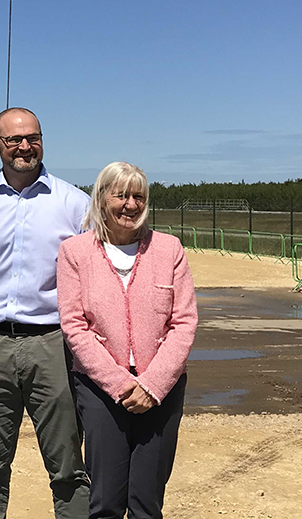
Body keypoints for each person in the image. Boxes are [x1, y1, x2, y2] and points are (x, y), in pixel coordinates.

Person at [0, 108, 91, 519]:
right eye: (14, 139)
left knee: (68, 468)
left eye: (32, 138)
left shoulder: (75, 205)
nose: (24, 146)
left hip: (54, 345)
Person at [57, 162, 197, 519]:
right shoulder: (75, 252)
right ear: (102, 198)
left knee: (147, 502)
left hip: (161, 391)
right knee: (105, 500)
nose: (130, 205)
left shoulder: (169, 249)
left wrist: (152, 385)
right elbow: (75, 327)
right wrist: (120, 383)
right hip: (101, 391)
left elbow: (184, 322)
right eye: (121, 195)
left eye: (138, 196)